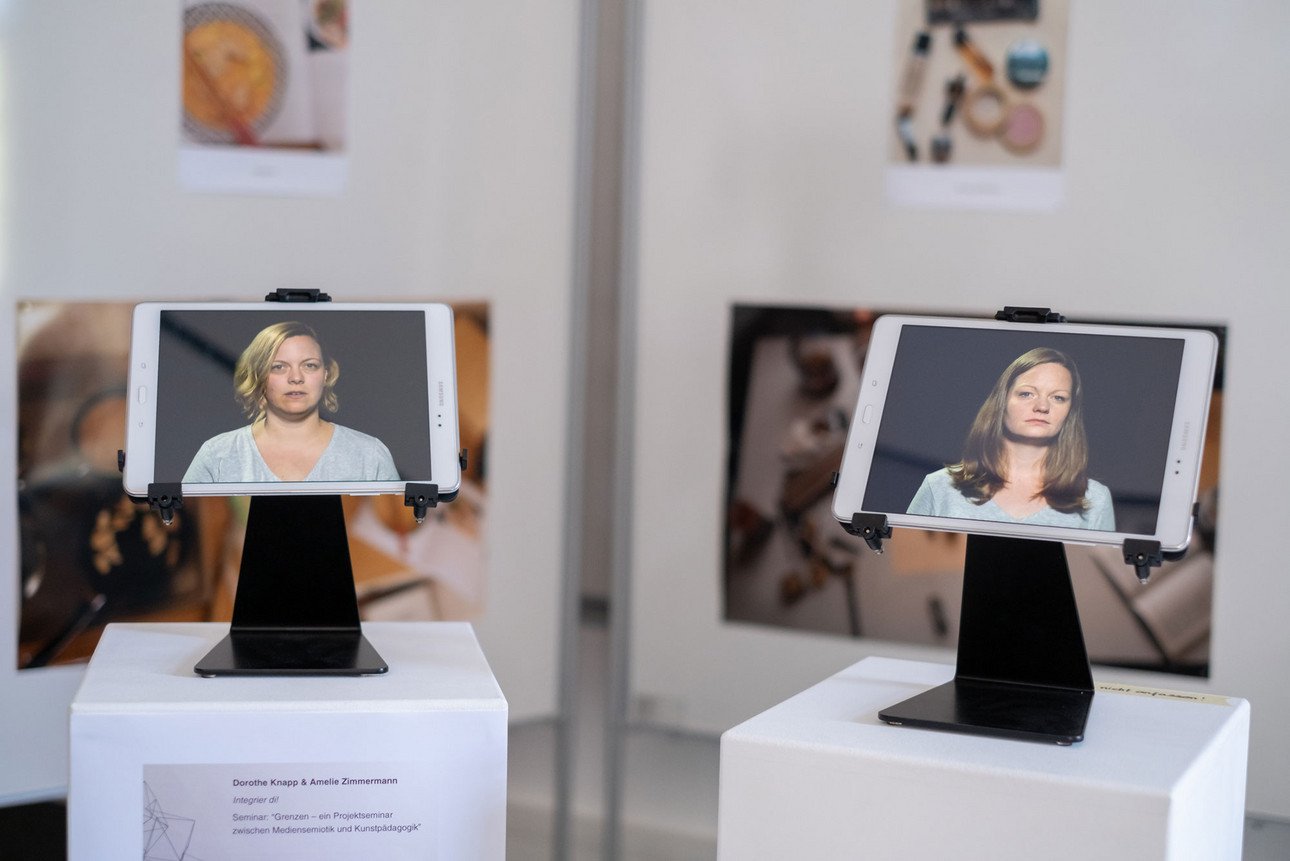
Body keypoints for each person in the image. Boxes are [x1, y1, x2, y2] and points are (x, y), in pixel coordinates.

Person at [907, 347, 1114, 530]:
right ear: (1002, 401)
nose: (1042, 407)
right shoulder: (940, 487)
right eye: (1027, 394)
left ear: (1070, 411)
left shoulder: (1095, 499)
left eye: (1058, 397)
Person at [183, 321, 399, 483]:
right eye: (279, 367)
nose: (296, 378)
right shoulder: (217, 455)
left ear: (325, 374)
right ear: (259, 376)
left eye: (309, 365)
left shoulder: (369, 455)